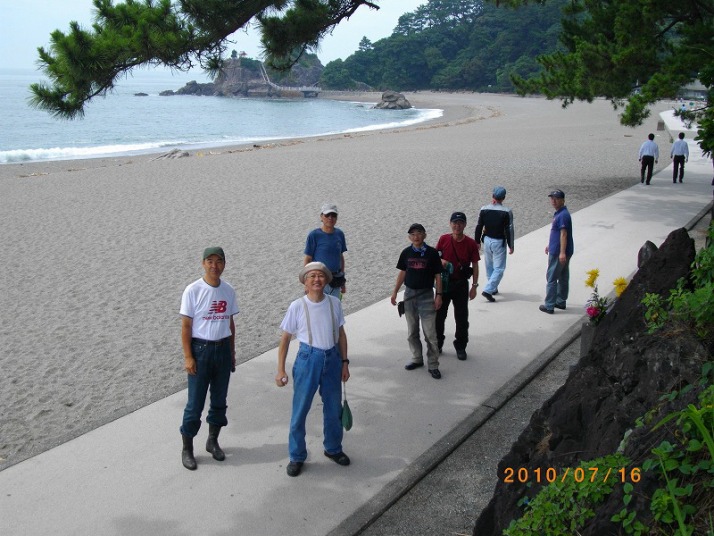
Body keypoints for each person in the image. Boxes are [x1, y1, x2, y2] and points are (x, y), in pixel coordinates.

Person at [275, 262, 350, 477]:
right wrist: (280, 369)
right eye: (312, 276)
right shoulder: (297, 306)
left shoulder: (335, 303)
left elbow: (341, 334)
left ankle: (333, 448)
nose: (317, 279)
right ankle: (297, 455)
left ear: (326, 280)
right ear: (305, 282)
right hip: (308, 359)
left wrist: (345, 362)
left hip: (332, 358)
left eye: (320, 276)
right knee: (300, 410)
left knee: (334, 408)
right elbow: (285, 339)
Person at [179, 247, 239, 471]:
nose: (215, 266)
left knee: (219, 401)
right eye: (210, 261)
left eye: (219, 261)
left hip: (222, 349)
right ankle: (187, 448)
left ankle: (212, 441)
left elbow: (230, 323)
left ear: (224, 264)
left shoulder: (228, 290)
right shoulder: (193, 290)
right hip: (201, 350)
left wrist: (232, 352)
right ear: (203, 263)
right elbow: (186, 326)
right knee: (195, 404)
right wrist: (188, 356)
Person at [390, 223, 443, 379]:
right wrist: (395, 292)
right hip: (409, 295)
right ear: (409, 237)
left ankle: (433, 364)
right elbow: (402, 272)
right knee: (412, 332)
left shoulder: (432, 253)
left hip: (426, 295)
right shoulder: (406, 253)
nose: (416, 237)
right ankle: (417, 358)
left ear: (424, 235)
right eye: (412, 234)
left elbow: (438, 275)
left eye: (419, 233)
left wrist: (439, 295)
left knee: (430, 334)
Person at [435, 212, 480, 361]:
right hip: (444, 284)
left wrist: (474, 286)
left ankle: (460, 346)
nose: (457, 225)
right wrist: (442, 261)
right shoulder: (443, 239)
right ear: (450, 224)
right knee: (439, 316)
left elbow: (475, 266)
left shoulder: (471, 243)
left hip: (461, 284)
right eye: (455, 222)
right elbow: (435, 258)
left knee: (461, 318)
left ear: (465, 225)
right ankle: (437, 343)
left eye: (460, 223)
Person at [474, 186, 515, 302]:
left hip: (486, 240)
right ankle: (488, 289)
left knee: (489, 266)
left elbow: (479, 226)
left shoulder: (484, 209)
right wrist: (511, 245)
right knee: (499, 268)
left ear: (493, 196)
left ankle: (493, 288)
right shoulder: (507, 211)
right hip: (499, 241)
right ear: (503, 198)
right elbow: (509, 229)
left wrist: (477, 241)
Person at [540, 190, 574, 314]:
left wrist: (562, 252)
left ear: (563, 200)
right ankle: (560, 301)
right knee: (563, 276)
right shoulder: (560, 213)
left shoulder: (563, 215)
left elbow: (564, 234)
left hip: (558, 252)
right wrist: (550, 245)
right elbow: (557, 233)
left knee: (551, 277)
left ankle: (549, 305)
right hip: (559, 249)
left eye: (556, 199)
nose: (553, 201)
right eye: (552, 198)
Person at [304, 203, 347, 297]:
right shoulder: (314, 235)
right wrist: (307, 283)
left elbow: (340, 257)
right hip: (318, 280)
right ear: (321, 217)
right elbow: (308, 259)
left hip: (336, 280)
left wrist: (343, 281)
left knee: (334, 305)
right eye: (327, 215)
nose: (330, 218)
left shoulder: (340, 234)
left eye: (333, 215)